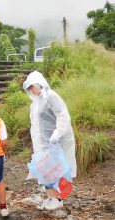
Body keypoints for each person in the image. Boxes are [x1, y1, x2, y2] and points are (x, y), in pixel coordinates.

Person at [23, 71, 77, 210]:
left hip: (52, 143)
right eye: (29, 89)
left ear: (39, 84)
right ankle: (51, 198)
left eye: (32, 87)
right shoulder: (36, 103)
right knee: (44, 172)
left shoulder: (51, 96)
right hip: (41, 144)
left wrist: (56, 134)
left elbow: (62, 116)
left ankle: (58, 199)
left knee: (53, 172)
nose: (31, 91)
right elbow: (37, 124)